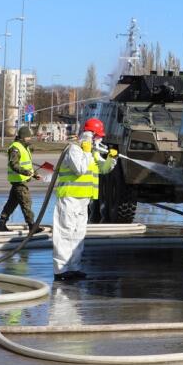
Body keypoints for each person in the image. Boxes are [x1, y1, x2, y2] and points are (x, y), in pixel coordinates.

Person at [52, 118, 117, 281]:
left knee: (78, 235)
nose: (100, 139)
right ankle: (61, 270)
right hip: (69, 198)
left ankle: (74, 267)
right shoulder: (74, 149)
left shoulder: (92, 152)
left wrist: (111, 159)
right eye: (98, 136)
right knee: (65, 233)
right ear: (89, 135)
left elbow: (103, 169)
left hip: (84, 200)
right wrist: (87, 151)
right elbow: (80, 169)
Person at [0, 125, 41, 232]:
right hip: (19, 180)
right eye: (28, 136)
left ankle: (1, 224)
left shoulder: (25, 147)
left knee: (11, 204)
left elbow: (27, 164)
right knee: (26, 202)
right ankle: (32, 226)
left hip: (21, 179)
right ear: (23, 137)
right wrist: (26, 172)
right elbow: (14, 165)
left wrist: (34, 174)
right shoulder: (15, 148)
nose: (30, 138)